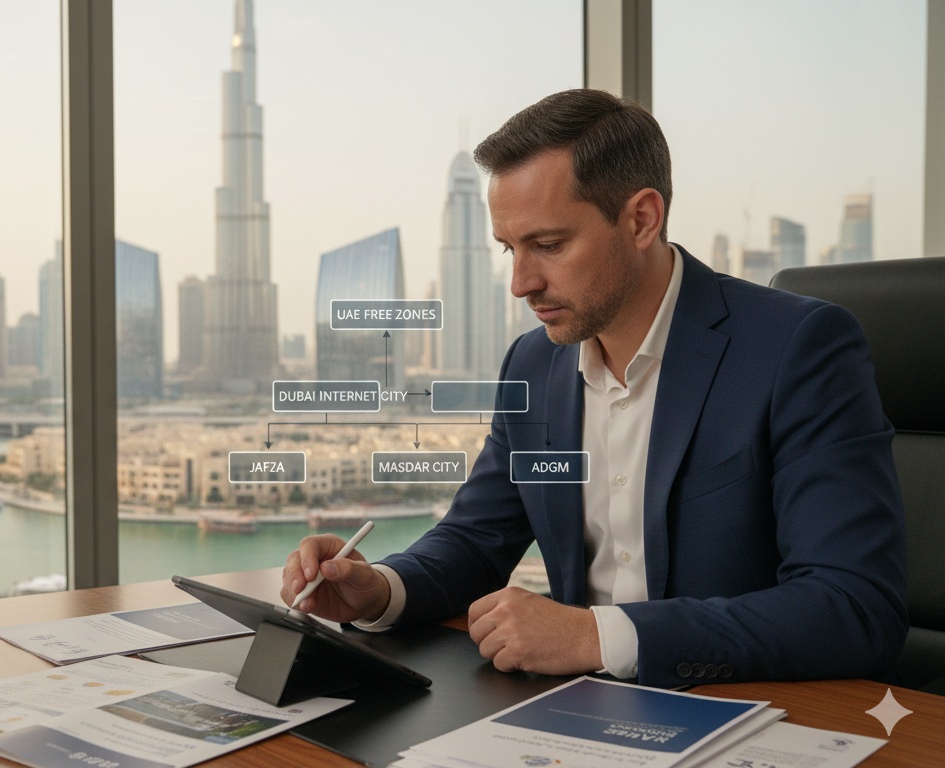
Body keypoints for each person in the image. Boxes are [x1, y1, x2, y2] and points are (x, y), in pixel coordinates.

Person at [281, 89, 908, 687]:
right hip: (574, 716)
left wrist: (598, 637)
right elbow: (476, 538)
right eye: (509, 250)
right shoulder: (533, 364)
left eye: (548, 245)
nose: (521, 283)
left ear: (641, 218)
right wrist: (381, 589)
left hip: (751, 709)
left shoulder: (795, 348)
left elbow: (852, 605)